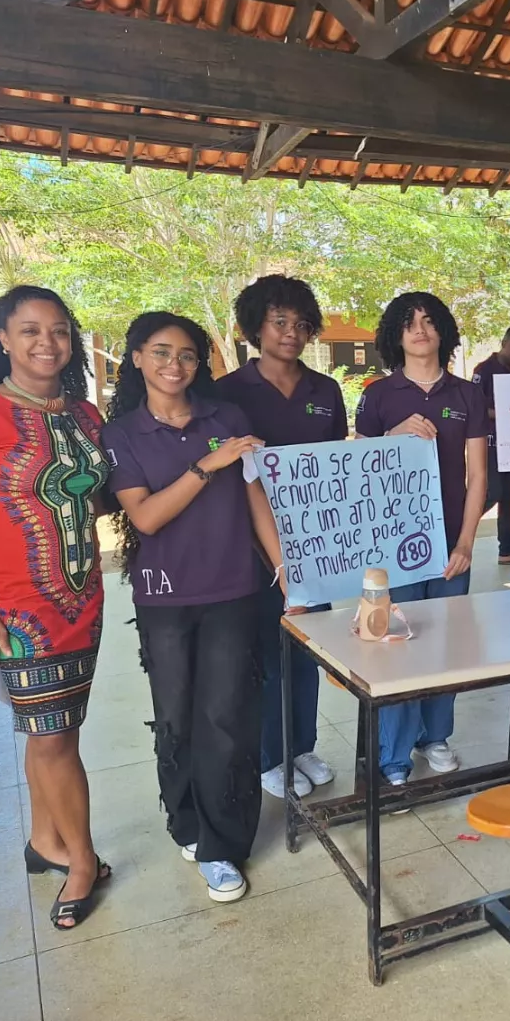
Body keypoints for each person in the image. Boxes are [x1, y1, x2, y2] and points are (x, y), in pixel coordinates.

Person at [0, 285, 112, 930]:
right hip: (18, 609)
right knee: (52, 736)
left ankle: (46, 840)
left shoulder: (86, 415)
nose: (48, 342)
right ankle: (83, 862)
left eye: (60, 330)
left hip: (82, 596)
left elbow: (96, 497)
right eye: (31, 330)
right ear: (4, 340)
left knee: (56, 732)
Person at [102, 311, 287, 905]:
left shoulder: (226, 419)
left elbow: (256, 499)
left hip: (233, 589)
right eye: (160, 352)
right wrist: (208, 465)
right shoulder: (122, 434)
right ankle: (186, 821)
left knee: (226, 718)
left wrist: (285, 568)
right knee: (176, 718)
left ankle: (220, 844)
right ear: (136, 358)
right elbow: (146, 517)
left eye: (186, 354)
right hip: (164, 595)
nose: (174, 365)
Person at [214, 275, 346, 801]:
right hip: (249, 550)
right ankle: (271, 755)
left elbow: (337, 469)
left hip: (314, 547)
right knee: (266, 657)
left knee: (309, 650)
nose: (292, 332)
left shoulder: (326, 391)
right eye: (279, 322)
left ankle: (302, 746)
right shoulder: (226, 394)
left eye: (301, 323)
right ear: (255, 327)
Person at [355, 292, 488, 785]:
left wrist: (466, 542)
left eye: (429, 321)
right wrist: (392, 435)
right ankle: (393, 755)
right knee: (395, 644)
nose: (419, 329)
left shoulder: (467, 394)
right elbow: (358, 468)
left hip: (450, 544)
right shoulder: (378, 395)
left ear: (443, 332)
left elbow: (478, 475)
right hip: (393, 547)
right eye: (409, 322)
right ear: (396, 334)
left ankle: (435, 737)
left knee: (445, 642)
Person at [472, 324, 510, 566]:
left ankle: (506, 550)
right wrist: (502, 415)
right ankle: (456, 533)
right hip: (489, 443)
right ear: (504, 343)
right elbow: (475, 408)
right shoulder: (483, 370)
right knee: (493, 493)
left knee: (508, 498)